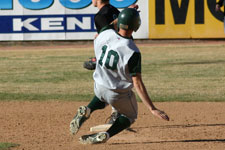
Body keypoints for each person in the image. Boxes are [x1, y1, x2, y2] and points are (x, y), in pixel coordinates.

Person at [70, 8, 169, 144]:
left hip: (98, 86)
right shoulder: (132, 50)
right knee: (130, 116)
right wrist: (152, 108)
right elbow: (137, 83)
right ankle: (107, 134)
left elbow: (113, 24)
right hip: (117, 94)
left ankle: (88, 109)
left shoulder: (105, 33)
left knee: (102, 96)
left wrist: (124, 14)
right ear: (136, 26)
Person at [84, 0, 138, 125]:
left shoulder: (100, 16)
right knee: (121, 82)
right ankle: (117, 113)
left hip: (115, 54)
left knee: (110, 83)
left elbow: (109, 37)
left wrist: (98, 59)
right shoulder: (114, 10)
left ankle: (116, 114)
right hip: (126, 51)